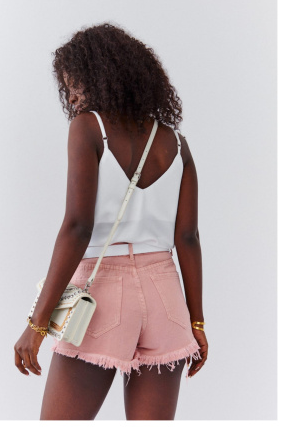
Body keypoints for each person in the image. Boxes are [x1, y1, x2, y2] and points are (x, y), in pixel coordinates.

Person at [14, 22, 208, 420]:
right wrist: (197, 321)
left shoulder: (89, 128)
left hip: (101, 297)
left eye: (75, 83)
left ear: (102, 76)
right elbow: (187, 238)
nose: (71, 95)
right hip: (167, 298)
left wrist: (36, 325)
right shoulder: (176, 142)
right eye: (67, 87)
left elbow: (78, 227)